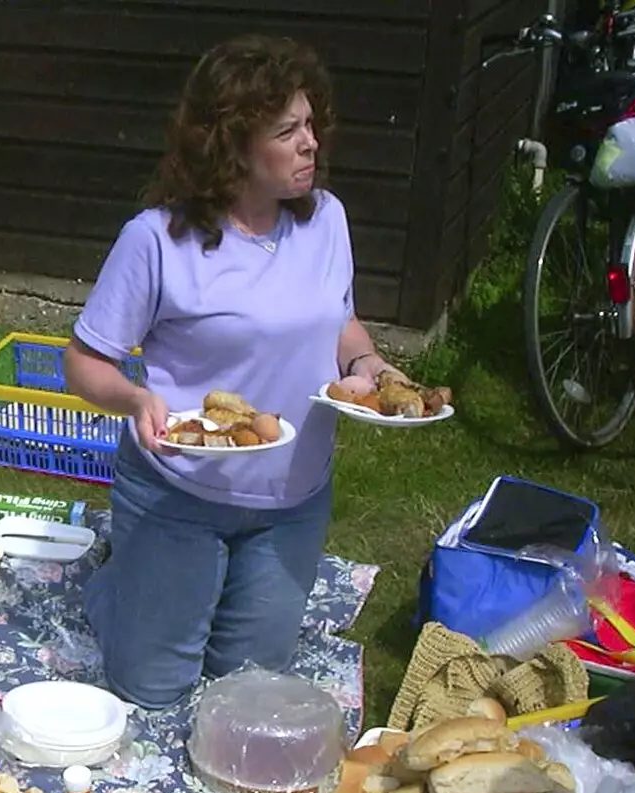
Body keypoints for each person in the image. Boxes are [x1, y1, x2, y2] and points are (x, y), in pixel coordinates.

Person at [66, 35, 426, 710]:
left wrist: (366, 362)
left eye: (311, 123)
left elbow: (337, 318)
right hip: (179, 493)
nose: (310, 142)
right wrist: (134, 395)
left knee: (244, 688)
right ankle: (117, 584)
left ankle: (183, 589)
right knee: (154, 687)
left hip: (291, 503)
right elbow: (83, 361)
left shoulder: (327, 220)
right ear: (230, 145)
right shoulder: (157, 239)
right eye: (287, 130)